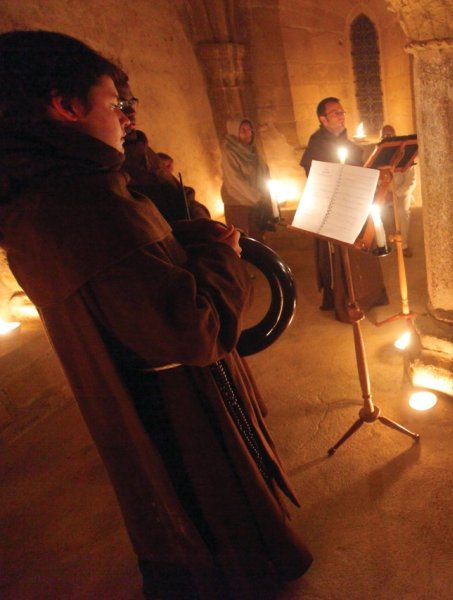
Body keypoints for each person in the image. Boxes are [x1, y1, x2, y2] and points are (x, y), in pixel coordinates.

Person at [0, 30, 312, 599]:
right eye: (114, 105)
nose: (125, 118)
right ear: (65, 107)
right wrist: (222, 253)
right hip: (172, 401)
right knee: (206, 502)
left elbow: (143, 254)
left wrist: (193, 233)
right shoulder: (84, 207)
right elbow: (194, 330)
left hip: (142, 393)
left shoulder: (59, 191)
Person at [300, 97, 388, 322]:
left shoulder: (348, 144)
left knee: (363, 250)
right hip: (335, 210)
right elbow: (315, 178)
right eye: (335, 112)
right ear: (323, 119)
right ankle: (347, 300)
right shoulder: (317, 144)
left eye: (342, 111)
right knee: (342, 256)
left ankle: (369, 296)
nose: (341, 115)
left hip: (356, 204)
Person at [115, 75, 210, 222]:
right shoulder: (110, 163)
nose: (132, 112)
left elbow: (183, 196)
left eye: (131, 102)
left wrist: (203, 223)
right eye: (120, 104)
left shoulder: (139, 147)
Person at [220, 118, 277, 241]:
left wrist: (267, 194)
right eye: (243, 130)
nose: (248, 133)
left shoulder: (252, 150)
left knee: (258, 236)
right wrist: (257, 197)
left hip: (256, 201)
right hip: (239, 204)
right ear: (235, 132)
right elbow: (235, 180)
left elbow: (263, 170)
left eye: (249, 129)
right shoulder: (229, 152)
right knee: (245, 240)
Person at [380, 124, 416, 258]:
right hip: (384, 192)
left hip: (401, 193)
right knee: (377, 211)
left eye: (390, 135)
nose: (387, 138)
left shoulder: (406, 153)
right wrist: (383, 193)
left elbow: (411, 182)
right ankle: (383, 242)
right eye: (384, 135)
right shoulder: (378, 153)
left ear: (395, 136)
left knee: (402, 212)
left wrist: (394, 194)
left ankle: (404, 245)